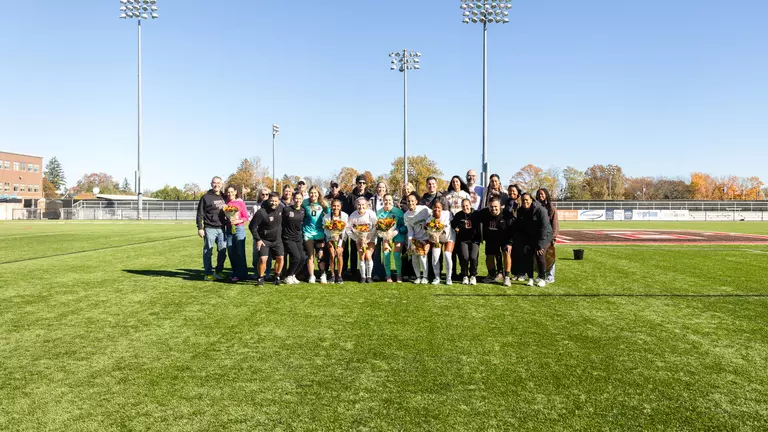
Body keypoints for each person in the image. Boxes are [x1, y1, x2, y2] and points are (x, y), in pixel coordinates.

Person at [248, 192, 285, 286]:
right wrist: (258, 239)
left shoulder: (282, 208)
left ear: (279, 201)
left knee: (280, 258)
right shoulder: (261, 212)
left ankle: (277, 277)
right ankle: (260, 278)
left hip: (277, 240)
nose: (274, 203)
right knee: (263, 259)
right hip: (264, 240)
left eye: (276, 201)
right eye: (272, 201)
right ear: (268, 200)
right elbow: (252, 226)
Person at [517, 192, 553, 287]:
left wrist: (540, 244)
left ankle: (542, 278)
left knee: (539, 254)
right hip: (530, 236)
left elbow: (544, 227)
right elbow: (521, 227)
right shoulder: (520, 211)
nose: (525, 202)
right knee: (528, 255)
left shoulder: (541, 210)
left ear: (531, 200)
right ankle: (531, 278)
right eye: (523, 200)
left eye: (527, 200)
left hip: (544, 235)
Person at [197, 176, 227, 281]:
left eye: (218, 183)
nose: (216, 185)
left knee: (223, 250)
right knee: (208, 251)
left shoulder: (224, 197)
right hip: (210, 228)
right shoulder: (205, 197)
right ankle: (208, 273)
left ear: (222, 184)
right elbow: (199, 214)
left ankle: (218, 271)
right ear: (211, 184)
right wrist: (200, 228)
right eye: (214, 183)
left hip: (222, 228)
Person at [475, 196, 511, 284]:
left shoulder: (507, 214)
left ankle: (506, 277)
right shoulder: (484, 212)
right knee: (489, 257)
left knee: (506, 253)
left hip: (504, 238)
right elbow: (473, 215)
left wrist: (510, 242)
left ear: (500, 206)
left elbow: (512, 229)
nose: (493, 208)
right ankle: (491, 275)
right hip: (491, 237)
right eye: (491, 206)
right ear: (488, 206)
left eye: (495, 206)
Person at [344, 175, 372, 280]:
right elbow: (347, 212)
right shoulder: (351, 196)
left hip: (367, 230)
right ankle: (353, 271)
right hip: (354, 228)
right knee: (355, 250)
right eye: (360, 183)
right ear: (357, 184)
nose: (361, 185)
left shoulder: (370, 195)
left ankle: (367, 273)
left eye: (363, 183)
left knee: (367, 251)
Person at [376, 193, 407, 283]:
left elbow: (405, 226)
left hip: (398, 234)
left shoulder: (398, 212)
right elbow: (377, 228)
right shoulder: (379, 213)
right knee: (386, 254)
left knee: (396, 255)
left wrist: (396, 231)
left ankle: (399, 274)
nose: (387, 202)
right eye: (386, 200)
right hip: (385, 235)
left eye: (389, 200)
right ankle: (388, 275)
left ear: (392, 202)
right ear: (383, 201)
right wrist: (384, 235)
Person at [347, 197, 378, 283]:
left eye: (363, 204)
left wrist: (367, 238)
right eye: (359, 204)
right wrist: (357, 238)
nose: (361, 206)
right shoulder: (353, 215)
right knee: (361, 255)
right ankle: (363, 277)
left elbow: (376, 226)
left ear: (367, 205)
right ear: (356, 205)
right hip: (359, 238)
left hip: (371, 237)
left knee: (368, 255)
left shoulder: (371, 213)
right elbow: (348, 228)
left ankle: (369, 276)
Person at [404, 192, 432, 284]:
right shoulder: (406, 215)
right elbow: (410, 230)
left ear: (416, 201)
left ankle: (425, 277)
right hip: (415, 239)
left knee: (422, 257)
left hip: (426, 238)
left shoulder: (424, 209)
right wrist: (410, 243)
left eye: (412, 201)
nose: (410, 203)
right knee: (414, 258)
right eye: (408, 201)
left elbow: (432, 215)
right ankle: (418, 277)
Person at [302, 186, 329, 284]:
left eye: (315, 193)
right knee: (310, 256)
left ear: (318, 194)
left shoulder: (323, 203)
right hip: (308, 234)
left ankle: (323, 274)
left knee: (320, 255)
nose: (313, 195)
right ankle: (311, 276)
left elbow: (329, 215)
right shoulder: (305, 202)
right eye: (311, 193)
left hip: (319, 234)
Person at [451, 198, 480, 285]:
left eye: (467, 205)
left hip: (474, 240)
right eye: (463, 206)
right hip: (463, 240)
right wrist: (456, 227)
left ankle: (473, 276)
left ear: (470, 205)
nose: (465, 207)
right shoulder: (458, 215)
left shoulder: (476, 214)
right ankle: (464, 275)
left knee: (473, 257)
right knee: (465, 257)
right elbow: (453, 224)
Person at [426, 200, 456, 285]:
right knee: (435, 256)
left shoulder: (448, 214)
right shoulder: (429, 219)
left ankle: (449, 278)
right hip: (437, 239)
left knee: (447, 255)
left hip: (449, 237)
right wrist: (432, 235)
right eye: (435, 207)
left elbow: (452, 223)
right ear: (432, 208)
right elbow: (427, 230)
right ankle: (437, 277)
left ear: (442, 208)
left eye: (439, 207)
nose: (437, 209)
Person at [224, 185, 249, 282]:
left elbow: (246, 217)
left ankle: (242, 274)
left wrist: (237, 221)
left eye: (231, 191)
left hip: (239, 229)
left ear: (235, 191)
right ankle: (235, 272)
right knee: (231, 252)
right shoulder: (226, 204)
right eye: (228, 192)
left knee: (239, 252)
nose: (230, 194)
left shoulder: (240, 203)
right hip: (229, 230)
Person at [281, 192, 305, 285]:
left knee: (302, 258)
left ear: (302, 200)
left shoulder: (303, 210)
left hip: (298, 237)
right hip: (288, 237)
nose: (298, 200)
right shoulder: (286, 209)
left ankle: (292, 275)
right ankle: (288, 275)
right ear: (293, 199)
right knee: (296, 257)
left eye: (300, 199)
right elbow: (281, 223)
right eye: (296, 198)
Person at [323, 198, 349, 284]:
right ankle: (332, 275)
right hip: (330, 237)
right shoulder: (326, 216)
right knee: (332, 254)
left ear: (341, 207)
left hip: (341, 237)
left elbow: (344, 231)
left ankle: (340, 275)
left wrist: (339, 245)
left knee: (339, 253)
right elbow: (326, 231)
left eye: (338, 206)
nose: (336, 208)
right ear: (331, 206)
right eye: (334, 206)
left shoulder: (345, 216)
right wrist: (332, 238)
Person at [537, 188, 559, 283]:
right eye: (538, 194)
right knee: (540, 255)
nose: (540, 196)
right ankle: (540, 274)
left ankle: (550, 276)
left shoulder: (551, 208)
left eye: (542, 194)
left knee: (550, 255)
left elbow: (555, 223)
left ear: (546, 195)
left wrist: (553, 237)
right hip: (539, 236)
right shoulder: (536, 207)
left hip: (548, 236)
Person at [504, 184, 525, 283]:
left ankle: (522, 273)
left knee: (520, 252)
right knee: (513, 253)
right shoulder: (508, 201)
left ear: (518, 192)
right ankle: (516, 273)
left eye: (514, 191)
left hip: (519, 230)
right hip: (509, 229)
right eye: (510, 191)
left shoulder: (521, 201)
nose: (512, 193)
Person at [369, 182, 389, 281]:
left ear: (386, 189)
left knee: (386, 251)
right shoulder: (372, 200)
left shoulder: (389, 199)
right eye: (379, 187)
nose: (381, 189)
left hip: (387, 230)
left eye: (383, 187)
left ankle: (386, 273)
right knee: (376, 252)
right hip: (375, 230)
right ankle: (376, 273)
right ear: (376, 188)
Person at [398, 182, 417, 281]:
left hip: (415, 228)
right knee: (405, 250)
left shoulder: (415, 199)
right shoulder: (401, 201)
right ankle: (405, 272)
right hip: (404, 228)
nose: (406, 191)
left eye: (408, 189)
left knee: (413, 250)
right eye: (405, 190)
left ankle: (413, 272)